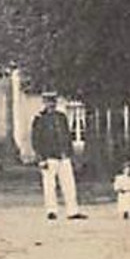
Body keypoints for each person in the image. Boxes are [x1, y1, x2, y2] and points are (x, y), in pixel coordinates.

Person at [33, 93, 85, 221]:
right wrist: (41, 158)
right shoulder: (39, 119)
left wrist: (71, 154)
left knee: (69, 184)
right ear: (44, 103)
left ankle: (72, 210)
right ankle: (51, 210)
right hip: (49, 156)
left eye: (53, 101)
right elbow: (36, 140)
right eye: (48, 101)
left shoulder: (62, 117)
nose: (51, 104)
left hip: (64, 155)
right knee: (49, 184)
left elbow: (67, 136)